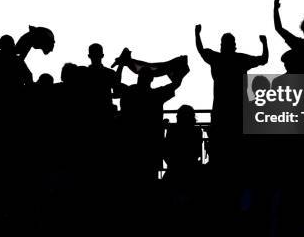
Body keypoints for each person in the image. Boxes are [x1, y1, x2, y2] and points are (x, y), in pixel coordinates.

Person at [195, 24, 268, 169]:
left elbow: (201, 50)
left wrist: (197, 34)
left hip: (220, 110)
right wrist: (264, 43)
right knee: (238, 148)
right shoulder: (241, 59)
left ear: (222, 45)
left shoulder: (216, 58)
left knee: (220, 148)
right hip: (238, 110)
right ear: (234, 45)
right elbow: (264, 59)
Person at [114, 50, 186, 182]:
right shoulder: (157, 95)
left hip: (129, 146)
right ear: (152, 79)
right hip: (151, 147)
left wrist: (122, 65)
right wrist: (178, 69)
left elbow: (116, 85)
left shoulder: (129, 92)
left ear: (138, 77)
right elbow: (176, 84)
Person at [163, 105, 203, 183]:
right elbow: (197, 152)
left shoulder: (172, 129)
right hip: (191, 167)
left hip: (174, 168)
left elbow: (167, 150)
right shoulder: (197, 131)